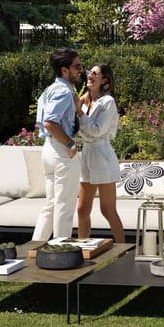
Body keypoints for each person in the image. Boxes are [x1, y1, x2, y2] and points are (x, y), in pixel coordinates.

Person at [33, 47, 84, 243]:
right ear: (64, 70)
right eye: (77, 67)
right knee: (64, 204)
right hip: (61, 151)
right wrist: (70, 143)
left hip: (49, 150)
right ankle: (61, 253)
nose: (80, 70)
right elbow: (50, 122)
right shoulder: (63, 91)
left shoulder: (51, 90)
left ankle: (34, 249)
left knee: (52, 205)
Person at [76, 63, 126, 244]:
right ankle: (83, 249)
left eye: (95, 73)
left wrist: (78, 111)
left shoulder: (107, 102)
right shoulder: (85, 100)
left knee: (107, 210)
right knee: (82, 209)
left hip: (102, 156)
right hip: (87, 154)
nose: (90, 75)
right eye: (89, 72)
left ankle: (123, 249)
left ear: (104, 80)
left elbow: (96, 131)